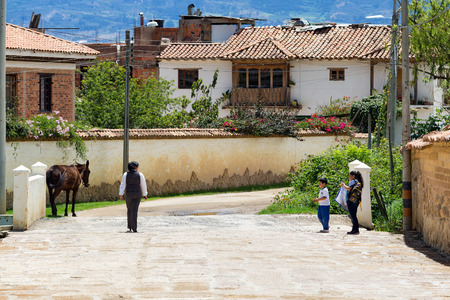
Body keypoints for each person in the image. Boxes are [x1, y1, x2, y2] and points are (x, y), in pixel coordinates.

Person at [119, 161, 148, 232]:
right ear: (135, 167)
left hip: (128, 194)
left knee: (129, 209)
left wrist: (121, 194)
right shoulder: (140, 175)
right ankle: (134, 227)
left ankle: (130, 226)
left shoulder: (126, 175)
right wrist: (145, 194)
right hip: (137, 194)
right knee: (135, 210)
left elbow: (123, 185)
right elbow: (143, 185)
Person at [340, 170, 364, 235]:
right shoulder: (358, 181)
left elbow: (349, 188)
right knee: (354, 216)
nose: (349, 177)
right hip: (356, 201)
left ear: (353, 176)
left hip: (351, 201)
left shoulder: (353, 181)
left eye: (350, 176)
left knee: (353, 216)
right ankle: (355, 229)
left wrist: (343, 185)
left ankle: (355, 230)